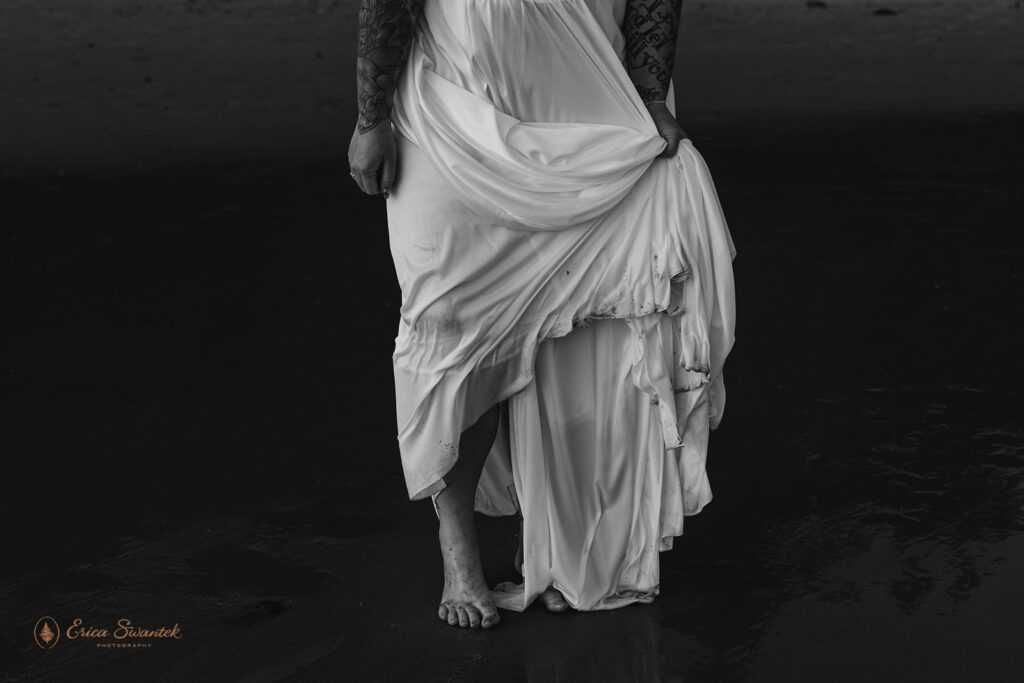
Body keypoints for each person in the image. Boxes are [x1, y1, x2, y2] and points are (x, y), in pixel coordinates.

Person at [349, 0, 736, 629]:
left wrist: (649, 94)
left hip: (583, 99)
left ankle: (564, 550)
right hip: (451, 107)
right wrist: (371, 117)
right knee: (450, 326)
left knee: (582, 332)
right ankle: (459, 559)